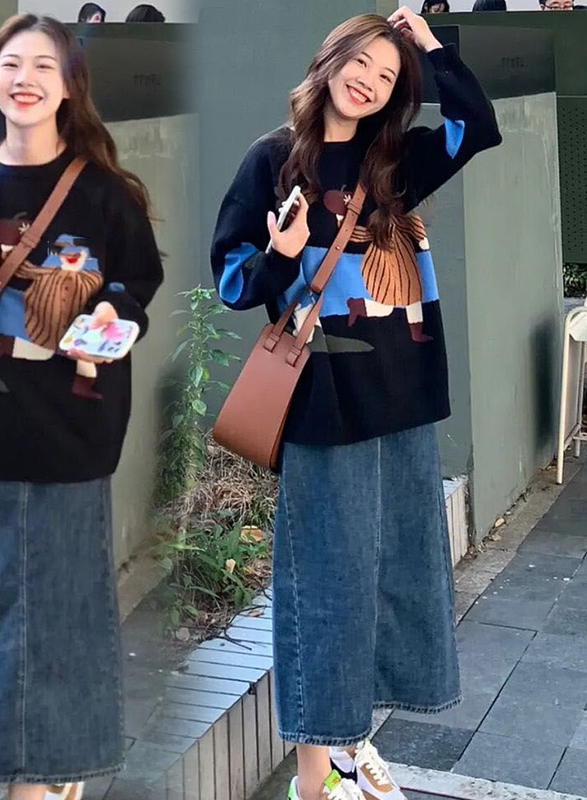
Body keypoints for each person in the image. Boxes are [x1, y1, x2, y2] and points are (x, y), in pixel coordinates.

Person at [211, 7, 501, 800]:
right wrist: (280, 253)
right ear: (329, 61)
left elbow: (476, 125)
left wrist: (432, 45)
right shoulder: (271, 161)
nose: (368, 81)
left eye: (387, 74)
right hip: (321, 403)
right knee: (326, 582)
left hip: (402, 397)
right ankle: (316, 777)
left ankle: (350, 742)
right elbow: (233, 281)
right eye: (359, 63)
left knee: (400, 571)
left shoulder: (395, 163)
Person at [0, 13, 163, 800]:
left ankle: (54, 773)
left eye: (43, 66)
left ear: (68, 88)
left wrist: (111, 314)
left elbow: (139, 279)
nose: (24, 78)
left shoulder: (103, 190)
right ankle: (18, 769)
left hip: (74, 427)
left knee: (68, 607)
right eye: (10, 63)